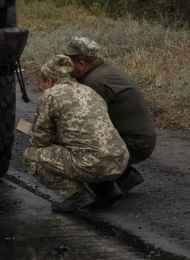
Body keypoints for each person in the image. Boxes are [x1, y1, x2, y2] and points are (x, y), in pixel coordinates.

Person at [22, 55, 129, 212]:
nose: (38, 88)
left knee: (31, 156)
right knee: (86, 147)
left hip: (92, 164)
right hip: (120, 160)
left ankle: (76, 195)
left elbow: (41, 141)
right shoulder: (88, 91)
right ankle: (107, 190)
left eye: (40, 83)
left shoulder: (50, 95)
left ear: (50, 81)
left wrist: (36, 136)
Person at [64, 36, 157, 201]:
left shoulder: (95, 83)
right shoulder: (103, 71)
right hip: (139, 140)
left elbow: (80, 125)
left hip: (133, 144)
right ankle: (124, 177)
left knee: (71, 141)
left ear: (81, 64)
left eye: (68, 61)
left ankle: (97, 192)